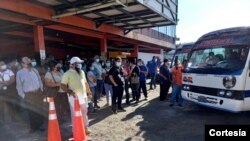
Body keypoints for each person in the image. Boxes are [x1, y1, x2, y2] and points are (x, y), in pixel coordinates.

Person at [60, 56, 92, 134]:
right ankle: (76, 130)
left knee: (84, 112)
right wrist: (69, 91)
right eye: (78, 63)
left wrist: (89, 92)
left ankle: (85, 127)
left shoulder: (82, 72)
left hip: (83, 96)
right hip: (74, 98)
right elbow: (62, 85)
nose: (79, 65)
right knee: (75, 114)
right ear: (73, 64)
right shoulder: (67, 73)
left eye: (80, 63)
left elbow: (85, 83)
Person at [16, 57, 45, 133]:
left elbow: (39, 80)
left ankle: (40, 125)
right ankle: (33, 127)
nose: (29, 64)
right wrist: (24, 96)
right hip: (29, 95)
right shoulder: (19, 73)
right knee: (31, 112)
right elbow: (19, 87)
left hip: (38, 93)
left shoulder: (35, 70)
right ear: (22, 64)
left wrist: (41, 90)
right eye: (27, 63)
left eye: (30, 62)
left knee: (39, 110)